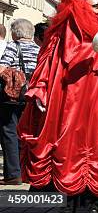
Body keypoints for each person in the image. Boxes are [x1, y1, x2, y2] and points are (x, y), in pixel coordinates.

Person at [18, 0, 98, 213]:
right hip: (71, 94)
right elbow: (48, 60)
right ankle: (69, 198)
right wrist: (40, 88)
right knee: (69, 142)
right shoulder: (65, 28)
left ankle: (93, 199)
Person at [0, 19, 40, 185]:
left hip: (12, 97)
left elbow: (2, 67)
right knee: (27, 134)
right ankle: (26, 171)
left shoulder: (13, 46)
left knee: (9, 132)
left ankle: (13, 174)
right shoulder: (39, 49)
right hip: (32, 97)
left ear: (16, 32)